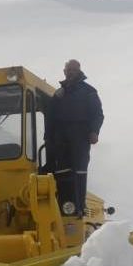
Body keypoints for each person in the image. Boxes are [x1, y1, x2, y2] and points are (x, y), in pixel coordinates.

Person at [45, 59, 104, 216]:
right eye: (68, 70)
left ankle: (79, 208)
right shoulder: (58, 94)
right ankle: (66, 208)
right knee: (62, 172)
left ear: (79, 71)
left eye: (73, 70)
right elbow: (50, 118)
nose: (70, 72)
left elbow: (98, 114)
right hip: (61, 138)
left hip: (80, 137)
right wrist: (48, 138)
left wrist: (94, 131)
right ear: (64, 72)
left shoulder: (89, 92)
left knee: (79, 171)